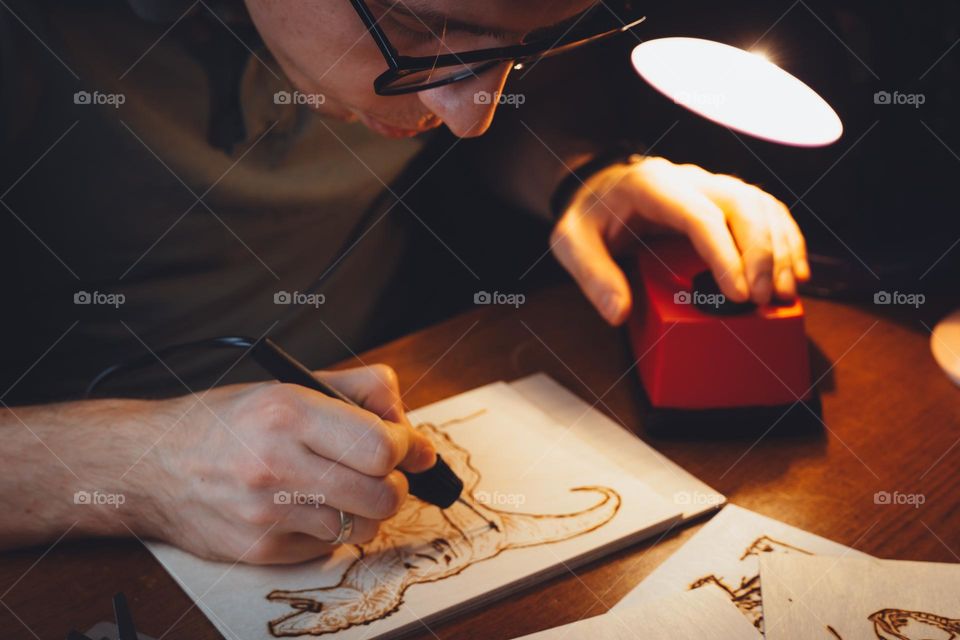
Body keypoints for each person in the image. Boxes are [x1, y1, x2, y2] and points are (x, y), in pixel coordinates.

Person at [0, 0, 809, 564]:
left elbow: (496, 121)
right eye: (432, 29)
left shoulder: (428, 69)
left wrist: (579, 178)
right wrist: (133, 466)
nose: (467, 114)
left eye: (525, 44)